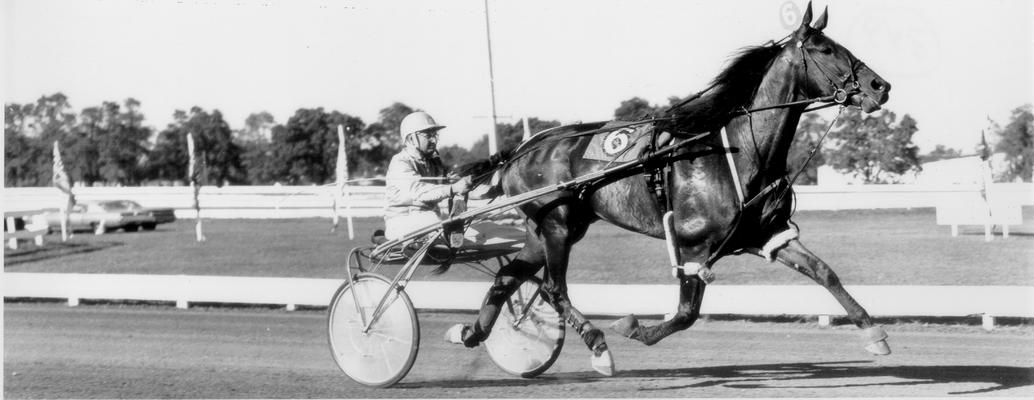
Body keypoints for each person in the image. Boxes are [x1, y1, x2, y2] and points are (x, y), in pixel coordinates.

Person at [383, 111, 472, 240]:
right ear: (412, 138)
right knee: (436, 225)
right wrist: (453, 188)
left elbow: (448, 188)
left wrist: (459, 184)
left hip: (431, 221)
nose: (434, 140)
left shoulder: (433, 162)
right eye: (428, 135)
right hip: (401, 223)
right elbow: (420, 192)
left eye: (435, 135)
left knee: (468, 228)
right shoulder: (400, 162)